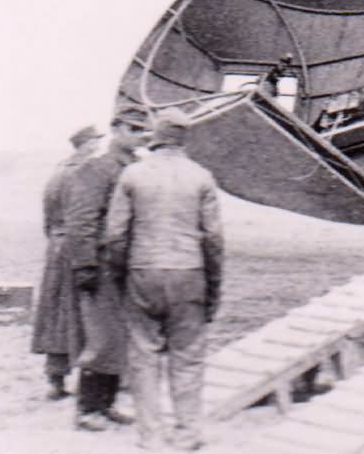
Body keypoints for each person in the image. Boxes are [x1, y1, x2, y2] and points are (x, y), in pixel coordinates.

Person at [104, 107, 224, 452]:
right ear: (184, 139)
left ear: (156, 135)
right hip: (190, 274)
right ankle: (187, 434)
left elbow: (115, 236)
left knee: (143, 358)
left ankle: (150, 437)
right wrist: (213, 288)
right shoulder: (201, 177)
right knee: (188, 357)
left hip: (142, 273)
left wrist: (120, 277)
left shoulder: (132, 175)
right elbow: (213, 240)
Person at [62, 107, 148, 431]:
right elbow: (81, 220)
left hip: (127, 267)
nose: (140, 135)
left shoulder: (137, 168)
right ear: (116, 129)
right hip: (100, 266)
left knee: (119, 337)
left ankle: (106, 404)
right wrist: (85, 264)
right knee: (102, 339)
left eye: (144, 130)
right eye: (134, 129)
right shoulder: (96, 169)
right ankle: (87, 409)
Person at [32, 125, 104, 401]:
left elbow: (47, 219)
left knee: (55, 312)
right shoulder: (85, 173)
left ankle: (55, 378)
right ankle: (94, 377)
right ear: (85, 145)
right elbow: (88, 217)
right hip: (78, 247)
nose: (98, 147)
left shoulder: (57, 172)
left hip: (57, 246)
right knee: (85, 311)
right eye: (95, 142)